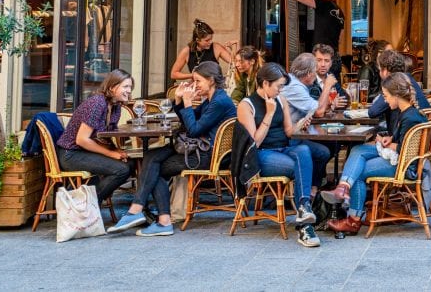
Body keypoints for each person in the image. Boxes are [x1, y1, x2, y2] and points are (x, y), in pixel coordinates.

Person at [107, 61, 236, 236]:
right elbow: (188, 122)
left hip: (207, 155)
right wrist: (179, 100)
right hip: (197, 148)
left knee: (154, 168)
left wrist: (189, 102)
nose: (195, 85)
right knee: (151, 156)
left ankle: (158, 219)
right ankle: (139, 212)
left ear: (211, 80)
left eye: (198, 81)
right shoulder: (212, 99)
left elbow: (194, 129)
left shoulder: (220, 101)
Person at [320, 73, 429, 234]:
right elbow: (403, 140)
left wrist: (389, 143)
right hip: (400, 158)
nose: (385, 100)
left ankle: (353, 219)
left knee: (357, 172)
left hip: (403, 165)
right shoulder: (407, 112)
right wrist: (389, 139)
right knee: (358, 150)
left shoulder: (409, 117)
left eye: (386, 96)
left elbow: (403, 148)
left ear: (397, 95)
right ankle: (343, 188)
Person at [236, 62, 321, 248]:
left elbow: (289, 132)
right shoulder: (246, 105)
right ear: (265, 83)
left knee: (304, 151)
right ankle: (305, 224)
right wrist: (269, 113)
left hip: (283, 148)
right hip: (260, 155)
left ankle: (303, 209)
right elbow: (254, 143)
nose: (281, 90)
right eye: (279, 86)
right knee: (300, 166)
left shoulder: (281, 99)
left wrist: (301, 124)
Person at [57, 69, 134, 205]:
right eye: (125, 86)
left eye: (130, 87)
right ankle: (87, 205)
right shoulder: (97, 103)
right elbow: (81, 139)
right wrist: (110, 154)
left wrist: (116, 151)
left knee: (131, 163)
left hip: (86, 152)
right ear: (112, 87)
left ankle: (88, 199)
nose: (129, 90)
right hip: (71, 154)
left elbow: (105, 137)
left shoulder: (116, 107)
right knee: (121, 170)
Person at [281, 53, 333, 193]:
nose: (316, 75)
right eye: (315, 72)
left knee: (329, 147)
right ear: (309, 74)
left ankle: (312, 187)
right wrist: (327, 86)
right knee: (323, 152)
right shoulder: (295, 87)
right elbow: (319, 111)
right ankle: (311, 189)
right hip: (287, 139)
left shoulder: (294, 83)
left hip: (294, 134)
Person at [285, 0, 344, 75]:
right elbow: (340, 39)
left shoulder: (323, 4)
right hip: (335, 58)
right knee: (333, 87)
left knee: (320, 88)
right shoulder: (340, 11)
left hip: (323, 60)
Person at [308, 43, 348, 114]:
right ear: (313, 61)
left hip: (330, 122)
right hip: (313, 123)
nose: (323, 64)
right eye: (319, 60)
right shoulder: (309, 79)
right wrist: (331, 103)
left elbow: (345, 99)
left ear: (331, 63)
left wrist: (333, 104)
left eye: (326, 61)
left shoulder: (330, 76)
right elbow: (313, 109)